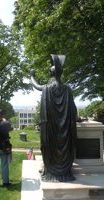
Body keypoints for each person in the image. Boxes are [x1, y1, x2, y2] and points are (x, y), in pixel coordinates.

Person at [31, 54, 77, 182]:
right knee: (63, 148)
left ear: (51, 73)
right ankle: (61, 172)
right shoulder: (67, 90)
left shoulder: (47, 88)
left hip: (50, 128)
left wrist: (31, 76)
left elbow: (36, 86)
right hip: (65, 131)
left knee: (49, 146)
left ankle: (50, 171)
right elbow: (73, 110)